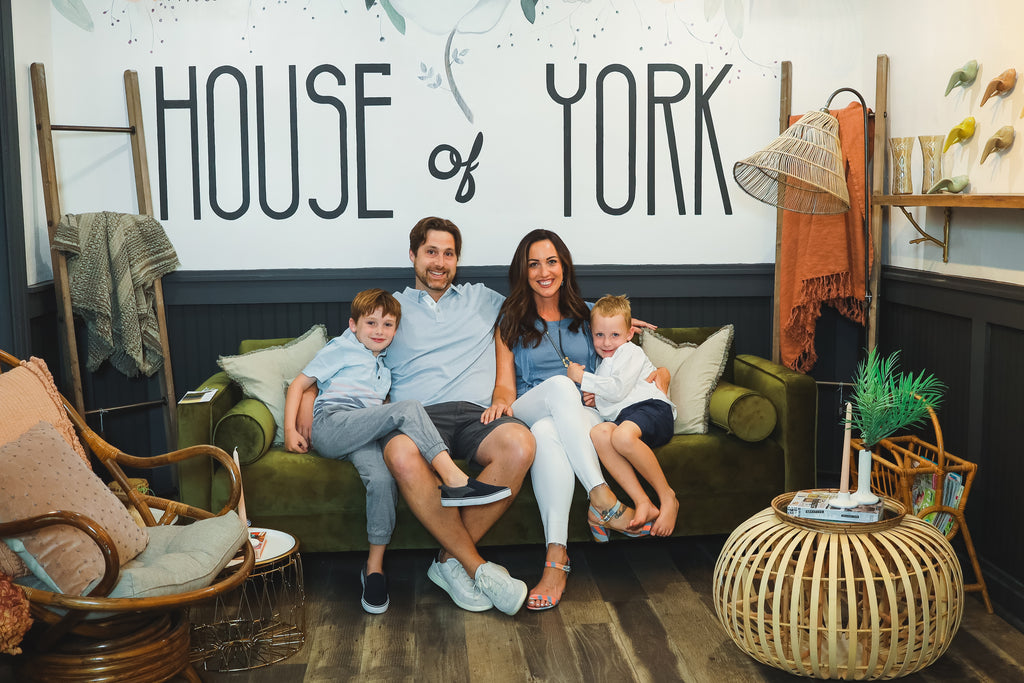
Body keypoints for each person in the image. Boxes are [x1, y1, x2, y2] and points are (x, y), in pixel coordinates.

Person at [283, 288, 511, 614]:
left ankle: (373, 568)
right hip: (333, 425)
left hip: (363, 434)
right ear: (353, 325)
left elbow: (378, 405)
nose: (379, 331)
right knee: (408, 408)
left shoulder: (384, 365)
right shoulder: (343, 347)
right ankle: (453, 478)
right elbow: (299, 383)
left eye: (388, 325)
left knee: (382, 481)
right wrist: (291, 430)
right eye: (371, 323)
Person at [489, 229, 667, 611]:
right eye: (534, 264)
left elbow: (620, 351)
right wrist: (499, 404)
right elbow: (504, 385)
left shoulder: (588, 316)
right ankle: (601, 497)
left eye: (551, 261)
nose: (544, 271)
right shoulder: (510, 319)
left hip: (577, 414)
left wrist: (652, 362)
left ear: (564, 266)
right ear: (523, 271)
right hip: (531, 404)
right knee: (557, 387)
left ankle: (556, 559)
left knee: (548, 431)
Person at [380, 217, 536, 616]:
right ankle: (474, 566)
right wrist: (307, 394)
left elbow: (541, 302)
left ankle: (448, 561)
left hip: (475, 416)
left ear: (457, 260)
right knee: (398, 454)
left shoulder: (482, 298)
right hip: (416, 418)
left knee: (520, 444)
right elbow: (346, 354)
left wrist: (602, 318)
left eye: (448, 254)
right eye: (431, 252)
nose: (439, 262)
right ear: (413, 255)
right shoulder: (389, 309)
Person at [566, 294, 680, 537]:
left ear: (629, 334)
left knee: (621, 436)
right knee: (599, 433)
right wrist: (597, 401)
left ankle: (667, 496)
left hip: (653, 409)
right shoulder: (603, 365)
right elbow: (613, 401)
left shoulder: (630, 352)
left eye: (615, 335)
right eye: (599, 335)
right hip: (628, 418)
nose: (607, 342)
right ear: (591, 333)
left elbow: (617, 389)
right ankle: (643, 502)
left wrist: (582, 378)